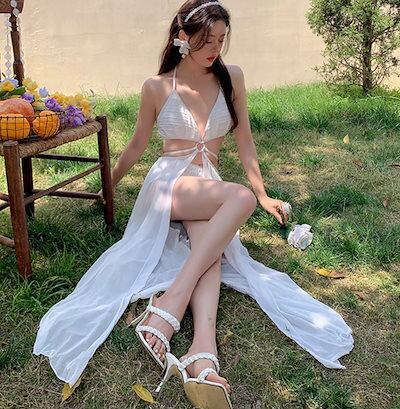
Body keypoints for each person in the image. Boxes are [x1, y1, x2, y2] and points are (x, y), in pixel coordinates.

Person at [33, 1, 354, 408]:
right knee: (237, 199)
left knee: (210, 248)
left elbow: (245, 139)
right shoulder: (157, 86)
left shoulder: (232, 77)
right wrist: (108, 186)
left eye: (221, 40)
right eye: (206, 40)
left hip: (208, 187)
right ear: (182, 37)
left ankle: (203, 351)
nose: (215, 49)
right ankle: (173, 299)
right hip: (169, 185)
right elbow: (137, 145)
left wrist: (263, 194)